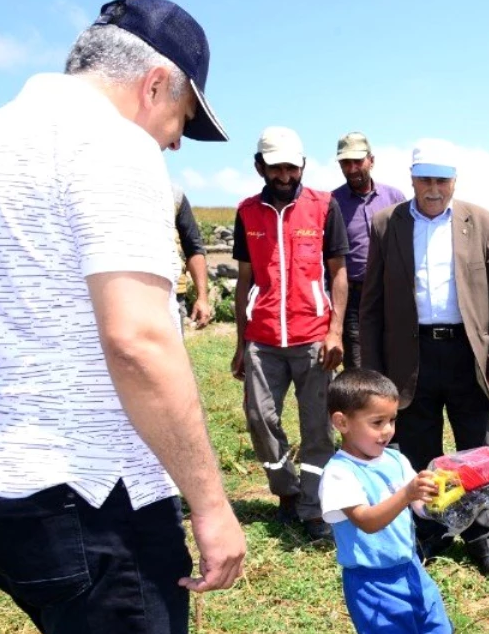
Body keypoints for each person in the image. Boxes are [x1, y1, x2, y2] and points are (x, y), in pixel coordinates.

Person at [0, 0, 245, 634]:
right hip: (91, 497)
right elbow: (140, 339)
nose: (177, 141)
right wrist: (212, 506)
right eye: (183, 118)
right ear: (155, 85)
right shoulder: (112, 148)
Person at [361, 142, 489, 581]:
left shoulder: (481, 222)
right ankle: (430, 531)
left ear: (454, 181)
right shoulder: (385, 225)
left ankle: (483, 539)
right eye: (425, 179)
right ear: (411, 179)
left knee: (477, 449)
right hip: (410, 357)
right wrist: (373, 372)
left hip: (468, 353)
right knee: (419, 450)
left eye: (441, 180)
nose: (433, 189)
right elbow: (371, 304)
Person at [320, 369, 452, 634]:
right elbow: (369, 521)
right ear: (341, 422)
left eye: (391, 421)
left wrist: (445, 495)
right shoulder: (339, 473)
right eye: (376, 422)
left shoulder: (396, 459)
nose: (387, 431)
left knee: (439, 633)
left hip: (410, 569)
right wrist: (407, 493)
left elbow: (419, 506)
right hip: (372, 582)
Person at [231, 126, 350, 541]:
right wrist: (241, 343)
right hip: (263, 337)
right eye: (275, 167)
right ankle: (286, 492)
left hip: (312, 336)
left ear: (302, 165)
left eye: (290, 167)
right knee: (258, 417)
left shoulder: (323, 207)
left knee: (318, 425)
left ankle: (313, 505)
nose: (283, 176)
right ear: (259, 166)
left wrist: (334, 331)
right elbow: (244, 282)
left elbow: (338, 273)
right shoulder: (247, 212)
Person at [331, 132, 408, 370]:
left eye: (358, 161)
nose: (352, 168)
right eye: (346, 162)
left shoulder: (395, 198)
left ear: (371, 160)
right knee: (359, 363)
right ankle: (364, 408)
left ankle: (397, 408)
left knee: (399, 355)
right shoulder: (331, 203)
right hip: (355, 296)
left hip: (392, 292)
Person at [173, 184, 213, 329]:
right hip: (122, 293)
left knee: (170, 350)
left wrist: (202, 297)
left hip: (172, 296)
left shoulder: (174, 194)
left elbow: (194, 248)